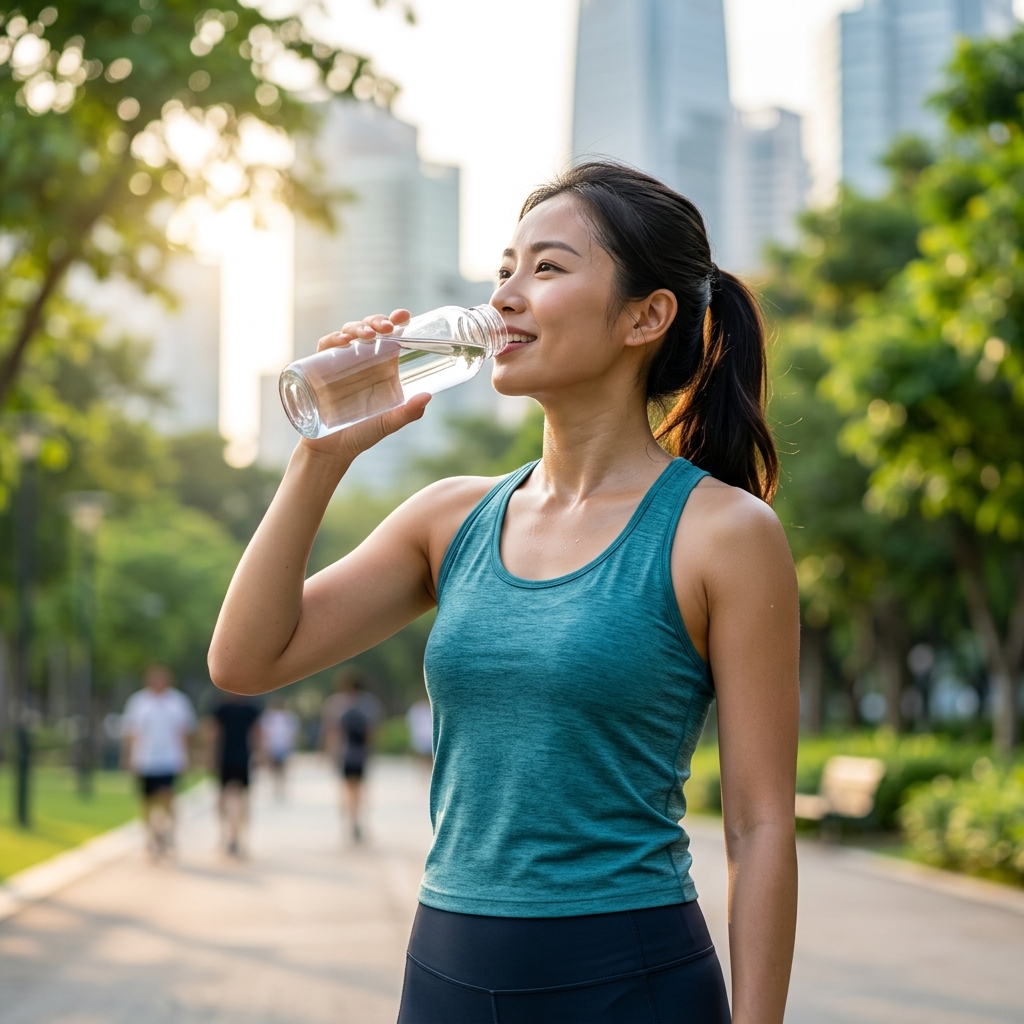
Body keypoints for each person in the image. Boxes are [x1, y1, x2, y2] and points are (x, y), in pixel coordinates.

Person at [210, 162, 800, 1023]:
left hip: (627, 982)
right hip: (444, 973)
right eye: (505, 270)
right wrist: (321, 455)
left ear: (647, 315)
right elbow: (246, 659)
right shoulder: (450, 518)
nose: (506, 297)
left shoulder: (724, 534)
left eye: (548, 268)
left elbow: (759, 825)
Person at [122, 664, 196, 861]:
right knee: (147, 802)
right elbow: (131, 733)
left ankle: (168, 832)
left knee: (167, 798)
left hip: (170, 759)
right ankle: (151, 836)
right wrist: (128, 758)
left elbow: (184, 732)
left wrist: (187, 758)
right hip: (145, 760)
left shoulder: (178, 702)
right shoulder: (138, 702)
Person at [321, 671, 382, 843]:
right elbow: (373, 731)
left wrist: (329, 753)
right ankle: (356, 819)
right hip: (360, 753)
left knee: (346, 789)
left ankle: (350, 819)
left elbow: (332, 732)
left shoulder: (335, 704)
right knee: (359, 789)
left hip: (345, 753)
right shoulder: (369, 704)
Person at [210, 693, 261, 858]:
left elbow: (256, 733)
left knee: (241, 800)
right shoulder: (221, 709)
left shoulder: (249, 709)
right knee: (225, 799)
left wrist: (259, 754)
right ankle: (228, 833)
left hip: (242, 758)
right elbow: (214, 734)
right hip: (226, 758)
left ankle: (236, 835)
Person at [261, 699, 300, 799]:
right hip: (272, 746)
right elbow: (264, 732)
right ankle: (276, 786)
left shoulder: (288, 716)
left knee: (282, 768)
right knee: (274, 768)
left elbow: (292, 732)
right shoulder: (269, 716)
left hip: (283, 746)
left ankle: (281, 787)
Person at [406, 697, 433, 765]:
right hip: (422, 735)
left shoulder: (425, 709)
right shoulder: (416, 709)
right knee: (424, 754)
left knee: (425, 754)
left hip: (425, 735)